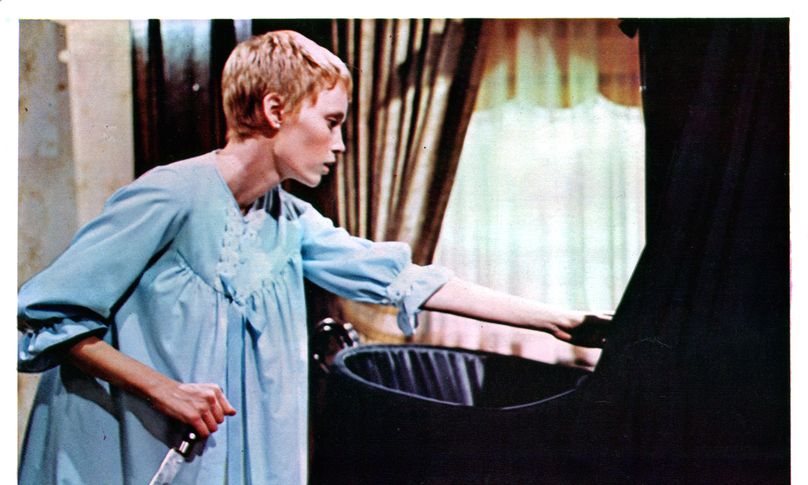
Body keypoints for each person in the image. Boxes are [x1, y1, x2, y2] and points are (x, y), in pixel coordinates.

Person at [17, 30, 610, 485]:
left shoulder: (290, 221)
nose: (341, 144)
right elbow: (45, 317)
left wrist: (556, 320)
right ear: (276, 111)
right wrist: (165, 389)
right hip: (135, 450)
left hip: (230, 456)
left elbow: (404, 280)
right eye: (331, 122)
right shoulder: (169, 195)